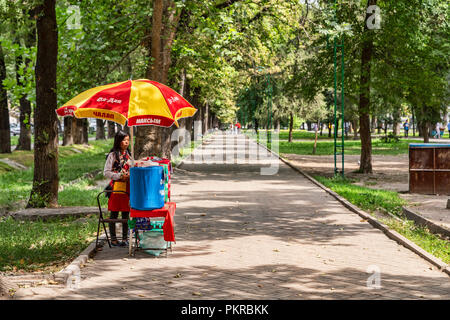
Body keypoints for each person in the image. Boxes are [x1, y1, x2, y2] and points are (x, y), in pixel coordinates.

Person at [103, 130, 131, 246]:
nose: (126, 143)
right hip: (115, 188)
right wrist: (119, 175)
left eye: (128, 140)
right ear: (119, 141)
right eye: (124, 140)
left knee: (126, 213)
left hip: (127, 188)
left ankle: (125, 238)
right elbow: (106, 172)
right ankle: (113, 238)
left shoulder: (129, 155)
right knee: (114, 214)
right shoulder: (112, 155)